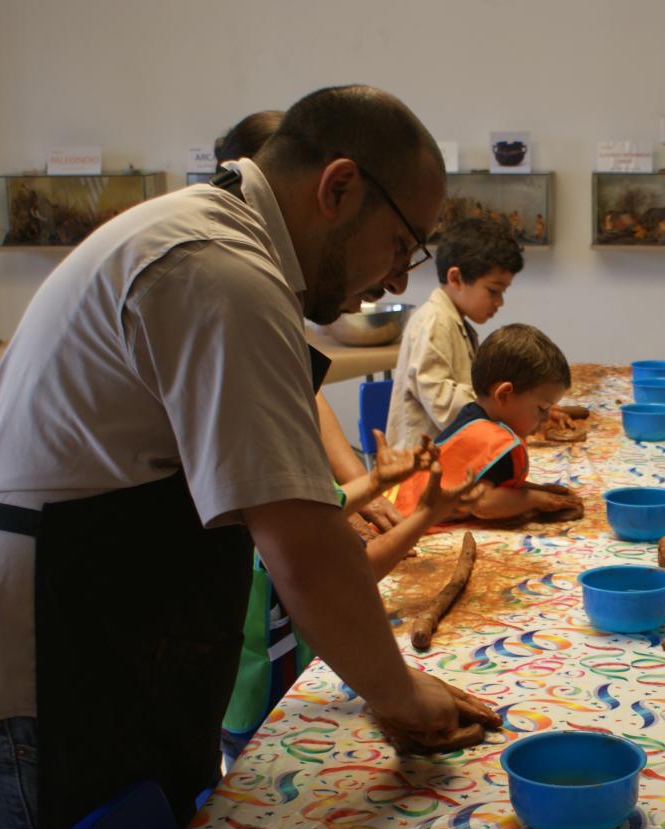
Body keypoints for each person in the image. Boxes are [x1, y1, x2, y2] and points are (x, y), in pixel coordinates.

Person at [0, 84, 497, 829]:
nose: (392, 277)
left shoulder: (212, 239)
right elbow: (304, 551)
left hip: (108, 626)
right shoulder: (218, 270)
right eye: (401, 243)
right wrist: (404, 697)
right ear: (338, 189)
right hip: (57, 663)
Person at [221, 432, 484, 766]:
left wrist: (376, 481)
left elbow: (329, 504)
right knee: (258, 774)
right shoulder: (267, 498)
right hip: (257, 702)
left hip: (269, 687)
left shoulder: (255, 474)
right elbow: (358, 567)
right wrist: (425, 515)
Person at [214, 109, 404, 535]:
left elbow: (303, 386)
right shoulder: (229, 267)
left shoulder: (268, 269)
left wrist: (360, 486)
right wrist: (351, 498)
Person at [392, 324, 583, 524]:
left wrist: (538, 490)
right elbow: (482, 502)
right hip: (402, 522)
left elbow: (491, 482)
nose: (545, 419)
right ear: (504, 395)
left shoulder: (474, 416)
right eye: (542, 408)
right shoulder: (487, 438)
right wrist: (534, 500)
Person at [386, 218, 524, 450]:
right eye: (493, 291)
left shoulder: (456, 322)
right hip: (418, 470)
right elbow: (443, 404)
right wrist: (504, 407)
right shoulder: (434, 322)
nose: (499, 302)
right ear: (456, 278)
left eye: (503, 292)